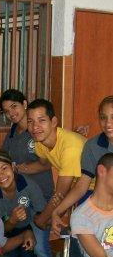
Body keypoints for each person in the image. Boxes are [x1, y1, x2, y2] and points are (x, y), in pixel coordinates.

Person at [19, 98, 89, 229]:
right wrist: (17, 169)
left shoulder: (70, 147)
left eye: (41, 120)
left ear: (54, 122)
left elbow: (60, 193)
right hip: (77, 187)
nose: (35, 127)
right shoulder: (40, 142)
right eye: (30, 121)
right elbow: (44, 165)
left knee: (82, 229)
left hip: (96, 188)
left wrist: (41, 221)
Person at [52, 95, 113, 235]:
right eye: (103, 118)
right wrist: (57, 211)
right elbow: (81, 186)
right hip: (103, 200)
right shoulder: (93, 146)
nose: (108, 123)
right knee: (82, 218)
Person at [0, 89, 54, 202]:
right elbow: (2, 159)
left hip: (41, 191)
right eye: (6, 111)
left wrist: (19, 169)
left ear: (24, 104)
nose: (11, 113)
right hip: (21, 193)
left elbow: (48, 163)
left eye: (14, 106)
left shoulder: (38, 130)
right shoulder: (12, 132)